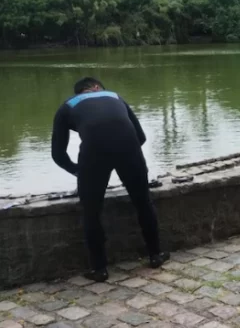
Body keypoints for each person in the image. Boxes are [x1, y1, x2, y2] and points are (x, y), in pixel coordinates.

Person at [52, 77, 168, 282]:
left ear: (80, 92)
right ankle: (155, 255)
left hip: (94, 154)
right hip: (129, 148)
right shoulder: (115, 96)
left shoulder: (67, 106)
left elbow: (58, 155)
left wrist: (80, 171)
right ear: (97, 88)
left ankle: (99, 269)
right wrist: (124, 157)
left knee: (91, 211)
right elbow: (140, 137)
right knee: (143, 202)